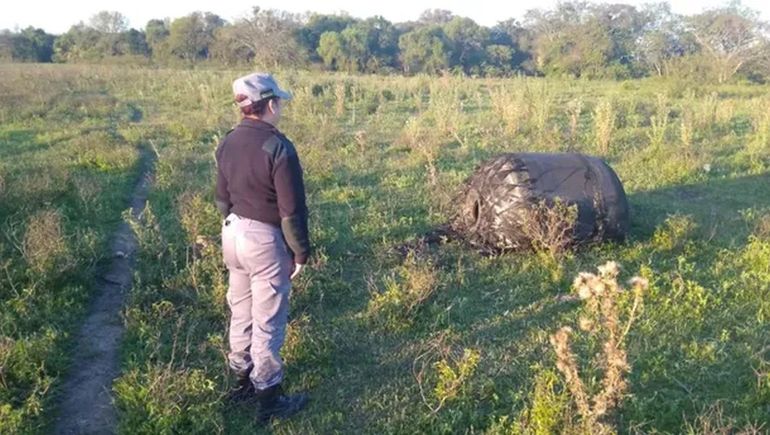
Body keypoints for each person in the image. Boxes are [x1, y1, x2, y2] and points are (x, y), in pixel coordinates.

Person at [215, 72, 310, 421]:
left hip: (232, 233)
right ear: (270, 105)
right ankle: (269, 398)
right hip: (264, 240)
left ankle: (242, 382)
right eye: (279, 101)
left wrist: (237, 223)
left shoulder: (227, 141)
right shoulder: (278, 146)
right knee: (268, 319)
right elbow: (291, 210)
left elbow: (221, 198)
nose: (280, 106)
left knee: (240, 310)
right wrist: (300, 252)